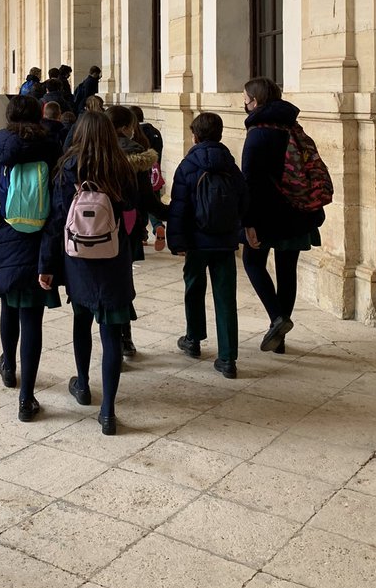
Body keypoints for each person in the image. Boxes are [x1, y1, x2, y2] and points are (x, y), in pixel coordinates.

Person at [38, 111, 138, 435]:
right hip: (113, 259)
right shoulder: (122, 167)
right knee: (111, 333)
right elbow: (132, 210)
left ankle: (82, 386)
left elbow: (56, 221)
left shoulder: (68, 167)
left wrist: (46, 266)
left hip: (78, 260)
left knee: (81, 322)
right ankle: (108, 412)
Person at [0, 94, 61, 420]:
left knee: (9, 306)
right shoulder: (53, 150)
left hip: (4, 238)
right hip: (40, 244)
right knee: (32, 318)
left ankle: (9, 365)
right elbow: (61, 204)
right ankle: (27, 397)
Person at [240, 76, 325, 354]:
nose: (244, 105)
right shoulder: (293, 126)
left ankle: (277, 319)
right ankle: (281, 340)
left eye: (245, 100)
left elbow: (250, 182)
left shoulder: (257, 133)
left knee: (253, 262)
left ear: (256, 101)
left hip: (267, 215)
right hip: (298, 212)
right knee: (287, 270)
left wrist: (248, 222)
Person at [166, 112, 248, 378]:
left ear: (195, 136)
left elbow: (179, 208)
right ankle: (227, 358)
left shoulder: (188, 165)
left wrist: (177, 241)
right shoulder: (230, 165)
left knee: (193, 288)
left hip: (197, 241)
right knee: (226, 298)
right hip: (224, 241)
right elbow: (243, 201)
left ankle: (193, 339)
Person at [107, 105, 171, 359]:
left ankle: (112, 336)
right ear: (126, 128)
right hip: (129, 226)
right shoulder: (138, 156)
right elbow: (148, 200)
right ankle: (125, 338)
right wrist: (170, 215)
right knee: (123, 281)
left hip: (96, 227)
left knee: (104, 281)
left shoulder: (94, 152)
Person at [130, 104, 166, 252]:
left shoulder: (136, 134)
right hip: (154, 174)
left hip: (139, 175)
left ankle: (142, 235)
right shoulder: (155, 131)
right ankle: (158, 226)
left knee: (139, 206)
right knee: (153, 201)